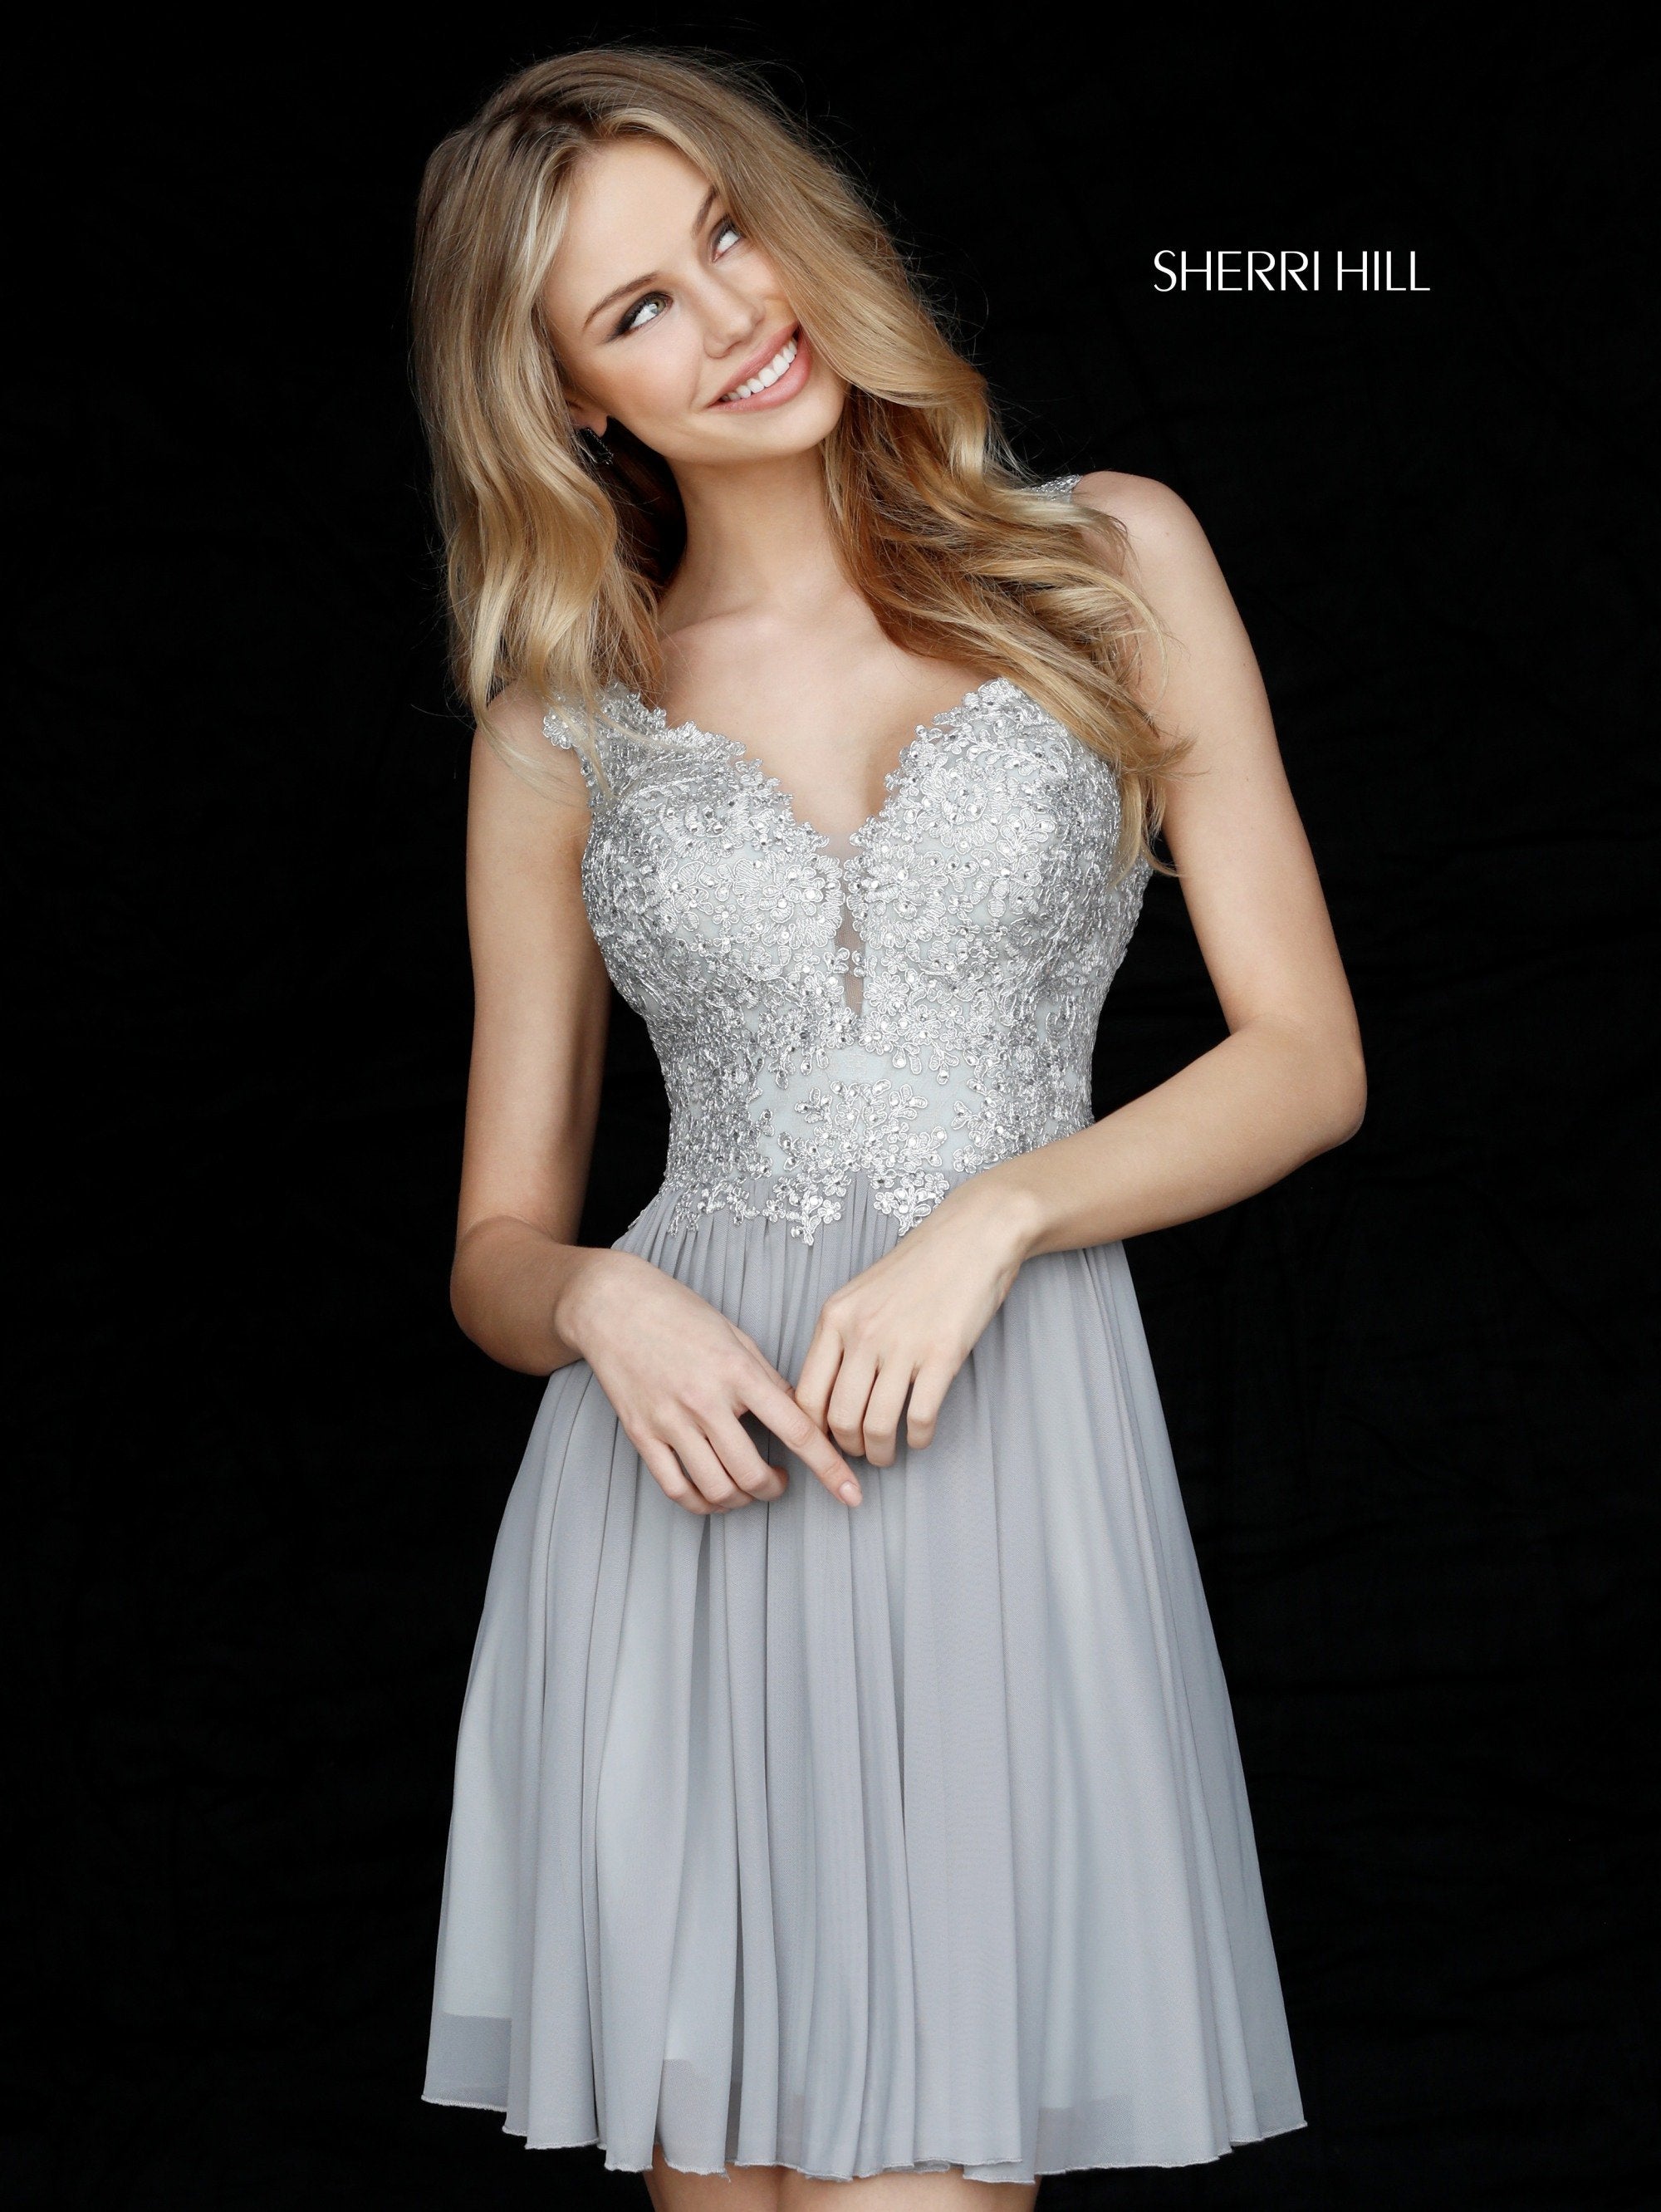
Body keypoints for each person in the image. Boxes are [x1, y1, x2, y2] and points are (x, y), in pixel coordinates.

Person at [411, 44, 1364, 2211]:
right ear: (569, 398)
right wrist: (598, 1303)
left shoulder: (1109, 555)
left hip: (993, 1466)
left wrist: (1000, 1215)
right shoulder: (564, 710)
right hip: (687, 1491)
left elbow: (1307, 1055)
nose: (732, 314)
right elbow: (493, 1247)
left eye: (727, 232)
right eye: (638, 307)